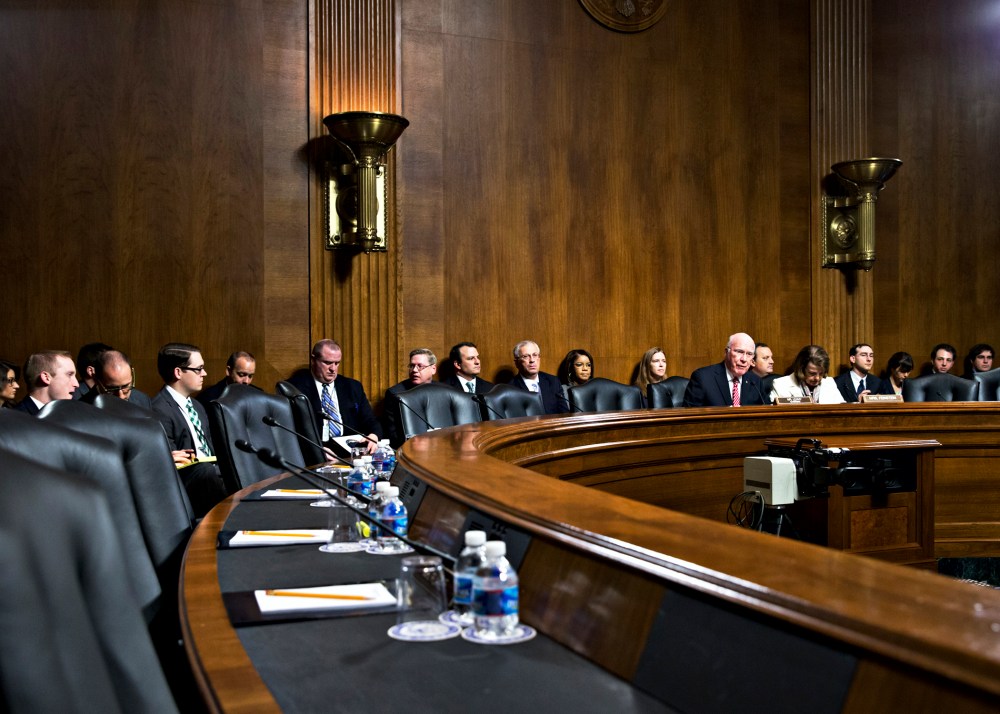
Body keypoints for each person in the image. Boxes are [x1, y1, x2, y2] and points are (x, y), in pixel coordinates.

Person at [150, 342, 227, 517]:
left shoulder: (198, 406)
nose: (204, 374)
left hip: (212, 473)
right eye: (198, 369)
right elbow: (170, 460)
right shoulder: (159, 409)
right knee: (208, 471)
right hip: (190, 480)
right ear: (178, 372)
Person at [286, 339, 382, 453]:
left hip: (351, 452)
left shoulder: (352, 387)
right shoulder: (294, 388)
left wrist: (373, 436)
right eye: (327, 363)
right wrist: (317, 450)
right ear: (313, 360)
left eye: (337, 363)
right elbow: (290, 431)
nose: (333, 369)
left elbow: (370, 420)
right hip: (315, 453)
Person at [683, 333, 769, 407]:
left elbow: (767, 415)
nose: (744, 359)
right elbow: (689, 418)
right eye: (739, 352)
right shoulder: (703, 378)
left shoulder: (755, 382)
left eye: (749, 354)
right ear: (726, 352)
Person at [382, 348, 438, 448]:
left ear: (433, 369)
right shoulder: (395, 394)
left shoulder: (445, 391)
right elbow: (392, 433)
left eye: (420, 366)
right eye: (412, 366)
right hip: (409, 448)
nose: (414, 370)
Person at [770, 345, 845, 404]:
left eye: (821, 373)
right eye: (812, 373)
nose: (817, 378)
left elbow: (841, 409)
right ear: (801, 369)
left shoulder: (829, 382)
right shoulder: (781, 385)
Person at [80, 349, 154, 410]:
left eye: (125, 386)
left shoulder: (143, 400)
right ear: (96, 380)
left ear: (132, 375)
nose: (121, 396)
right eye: (112, 389)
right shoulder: (82, 409)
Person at [508, 340, 565, 414]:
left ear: (539, 358)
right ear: (516, 363)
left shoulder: (553, 381)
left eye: (535, 355)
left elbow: (564, 413)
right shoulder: (510, 388)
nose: (532, 360)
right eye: (525, 356)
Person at [13, 350, 79, 414]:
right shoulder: (16, 418)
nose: (77, 384)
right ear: (46, 378)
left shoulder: (70, 412)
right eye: (69, 374)